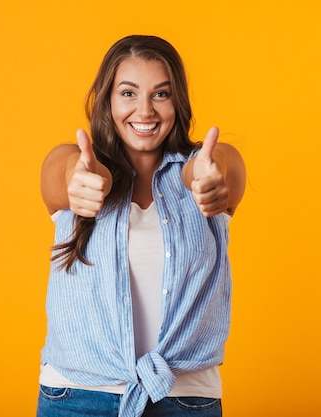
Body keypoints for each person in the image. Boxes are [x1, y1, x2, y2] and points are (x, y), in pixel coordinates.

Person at [37, 34, 246, 417]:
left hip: (185, 399)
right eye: (129, 93)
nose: (145, 111)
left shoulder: (205, 168)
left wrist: (210, 175)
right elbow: (61, 170)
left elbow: (215, 166)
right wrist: (78, 176)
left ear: (177, 101)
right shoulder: (77, 166)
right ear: (108, 100)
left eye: (160, 94)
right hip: (78, 397)